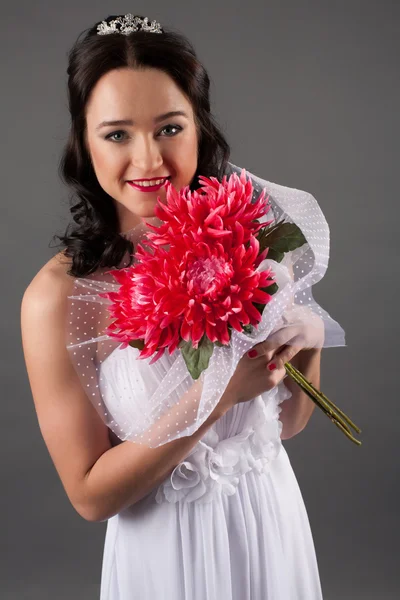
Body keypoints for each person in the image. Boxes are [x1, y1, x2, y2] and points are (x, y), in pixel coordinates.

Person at [21, 13, 344, 599]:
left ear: (199, 127)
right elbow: (90, 496)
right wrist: (217, 394)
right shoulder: (61, 297)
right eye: (117, 134)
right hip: (167, 554)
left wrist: (307, 340)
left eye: (170, 128)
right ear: (83, 140)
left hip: (270, 521)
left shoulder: (246, 236)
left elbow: (287, 425)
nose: (149, 161)